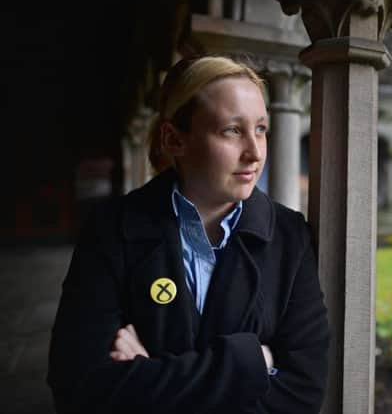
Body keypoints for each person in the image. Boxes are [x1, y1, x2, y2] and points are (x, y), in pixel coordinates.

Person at [47, 56, 330, 413]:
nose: (255, 152)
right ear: (173, 139)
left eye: (260, 128)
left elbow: (302, 393)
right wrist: (251, 363)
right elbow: (79, 389)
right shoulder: (112, 230)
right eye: (232, 130)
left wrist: (148, 373)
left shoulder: (290, 237)